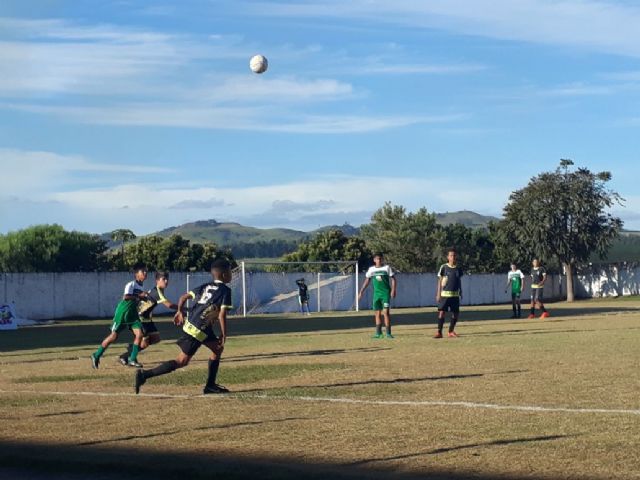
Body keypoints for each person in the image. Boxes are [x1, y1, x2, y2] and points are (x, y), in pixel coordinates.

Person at [135, 259, 233, 395]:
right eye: (229, 271)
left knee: (217, 349)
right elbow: (222, 315)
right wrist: (224, 334)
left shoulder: (206, 286)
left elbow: (183, 297)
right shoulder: (225, 291)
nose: (231, 274)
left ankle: (210, 386)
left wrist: (179, 311)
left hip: (196, 324)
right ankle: (144, 375)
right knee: (181, 361)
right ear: (223, 275)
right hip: (198, 328)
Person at [91, 263, 148, 369]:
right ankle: (96, 355)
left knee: (140, 334)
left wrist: (143, 299)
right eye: (143, 271)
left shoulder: (141, 286)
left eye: (146, 271)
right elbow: (126, 297)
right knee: (113, 336)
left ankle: (132, 359)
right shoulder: (131, 284)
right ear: (136, 274)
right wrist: (139, 296)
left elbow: (136, 298)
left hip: (132, 314)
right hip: (123, 312)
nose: (145, 273)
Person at [118, 271, 178, 366]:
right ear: (157, 280)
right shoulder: (157, 291)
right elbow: (169, 305)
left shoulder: (160, 290)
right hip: (140, 318)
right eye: (164, 279)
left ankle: (131, 349)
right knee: (145, 343)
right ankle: (128, 356)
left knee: (156, 338)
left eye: (167, 279)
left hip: (147, 319)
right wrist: (184, 308)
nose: (166, 281)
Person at [358, 253, 397, 339]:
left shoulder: (387, 268)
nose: (379, 260)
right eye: (377, 259)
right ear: (374, 260)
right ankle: (378, 333)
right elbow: (367, 280)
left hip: (385, 294)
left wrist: (393, 290)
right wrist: (361, 291)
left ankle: (388, 333)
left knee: (386, 313)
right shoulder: (371, 269)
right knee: (377, 313)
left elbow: (393, 279)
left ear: (382, 259)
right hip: (376, 294)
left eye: (380, 259)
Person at [435, 248, 463, 338]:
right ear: (448, 257)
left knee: (455, 313)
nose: (453, 257)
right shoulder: (444, 267)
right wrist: (438, 293)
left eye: (454, 255)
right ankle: (439, 332)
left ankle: (451, 331)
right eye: (451, 255)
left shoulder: (458, 268)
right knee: (441, 312)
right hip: (445, 295)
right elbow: (439, 280)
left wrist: (461, 291)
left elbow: (459, 280)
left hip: (455, 294)